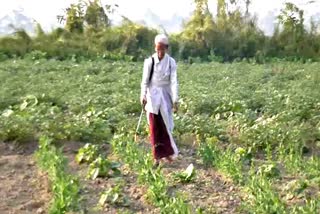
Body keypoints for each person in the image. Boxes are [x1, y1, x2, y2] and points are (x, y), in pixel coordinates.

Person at [140, 34, 179, 167]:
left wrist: (175, 99)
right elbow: (144, 82)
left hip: (165, 97)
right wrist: (143, 95)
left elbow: (174, 82)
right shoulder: (149, 62)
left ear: (166, 48)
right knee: (154, 128)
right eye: (157, 49)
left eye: (162, 49)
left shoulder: (171, 62)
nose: (159, 52)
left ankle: (168, 153)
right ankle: (156, 157)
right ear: (155, 48)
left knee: (166, 126)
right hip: (152, 98)